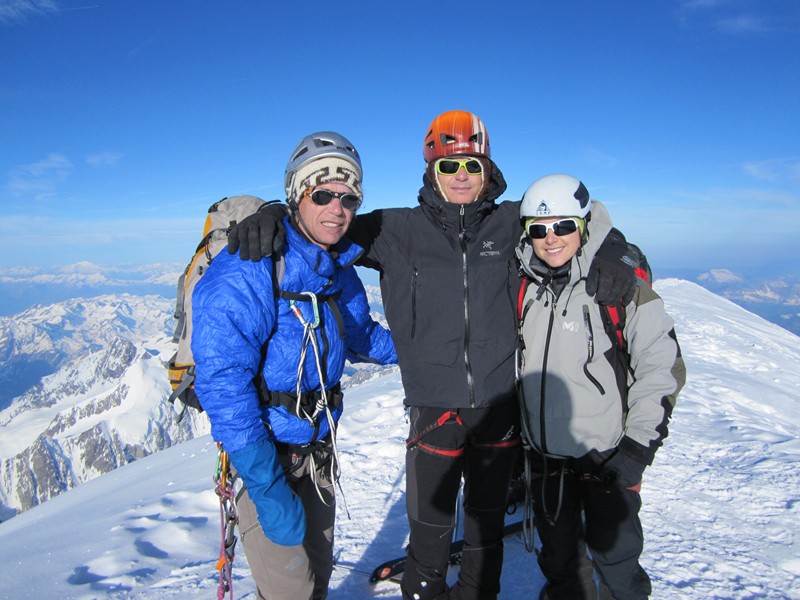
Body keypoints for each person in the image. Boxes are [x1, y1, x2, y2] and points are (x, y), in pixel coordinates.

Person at [227, 111, 637, 600]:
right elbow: (321, 223)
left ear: (488, 169)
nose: (460, 175)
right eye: (449, 166)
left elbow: (578, 213)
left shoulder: (511, 223)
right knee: (429, 532)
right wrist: (274, 212)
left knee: (485, 530)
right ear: (431, 171)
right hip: (433, 409)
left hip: (498, 405)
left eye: (471, 164)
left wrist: (614, 248)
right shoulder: (395, 230)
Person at [191, 131, 397, 600]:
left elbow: (361, 336)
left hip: (318, 450)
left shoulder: (336, 269)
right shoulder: (251, 266)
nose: (336, 209)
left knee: (317, 580)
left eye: (349, 198)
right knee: (292, 592)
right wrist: (265, 484)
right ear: (295, 195)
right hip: (266, 456)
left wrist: (427, 345)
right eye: (321, 194)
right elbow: (223, 383)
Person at [514, 174, 686, 600]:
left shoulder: (619, 284)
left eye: (563, 226)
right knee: (559, 562)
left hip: (607, 456)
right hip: (545, 457)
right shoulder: (522, 284)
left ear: (585, 224)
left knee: (617, 562)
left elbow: (662, 367)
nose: (550, 239)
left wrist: (636, 450)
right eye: (538, 229)